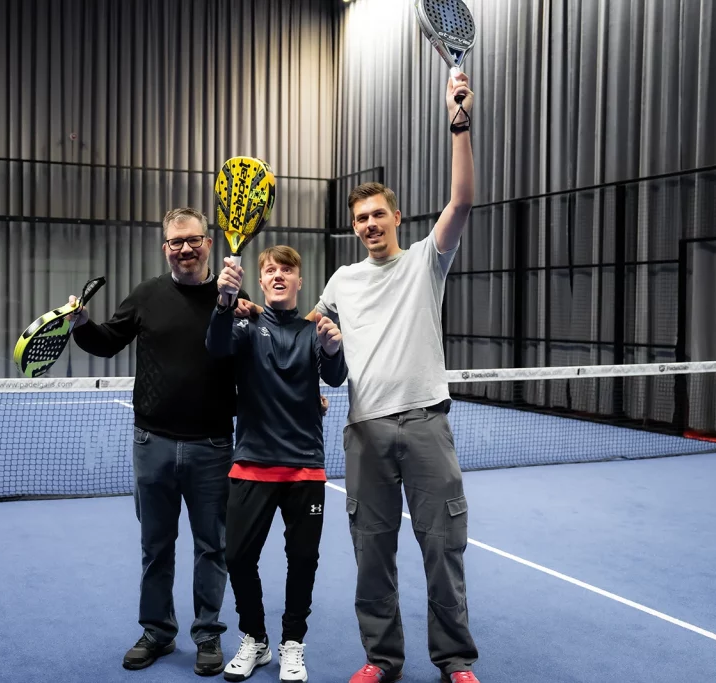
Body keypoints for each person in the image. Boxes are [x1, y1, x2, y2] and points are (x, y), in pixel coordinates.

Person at [314, 74, 481, 683]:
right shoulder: (340, 282)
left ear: (397, 217)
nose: (368, 224)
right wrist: (255, 312)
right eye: (359, 218)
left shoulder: (425, 263)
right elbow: (302, 337)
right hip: (366, 432)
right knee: (371, 555)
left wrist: (458, 122)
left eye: (377, 214)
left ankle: (455, 658)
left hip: (426, 422)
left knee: (443, 549)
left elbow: (461, 200)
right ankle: (382, 659)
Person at [67, 207, 251, 676]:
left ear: (208, 243)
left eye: (193, 240)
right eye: (175, 242)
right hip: (153, 444)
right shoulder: (146, 295)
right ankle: (157, 632)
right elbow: (108, 341)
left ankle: (208, 634)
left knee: (212, 546)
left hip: (212, 447)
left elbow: (253, 361)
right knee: (156, 545)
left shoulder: (232, 295)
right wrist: (82, 323)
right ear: (165, 247)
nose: (185, 249)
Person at [205, 245, 347, 683]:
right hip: (252, 463)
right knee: (237, 556)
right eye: (270, 270)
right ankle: (255, 638)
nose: (279, 275)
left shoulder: (315, 328)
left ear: (299, 282)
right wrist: (225, 302)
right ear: (262, 281)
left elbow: (336, 377)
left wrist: (332, 348)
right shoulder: (245, 325)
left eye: (287, 270)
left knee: (302, 559)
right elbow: (214, 346)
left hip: (305, 466)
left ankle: (292, 643)